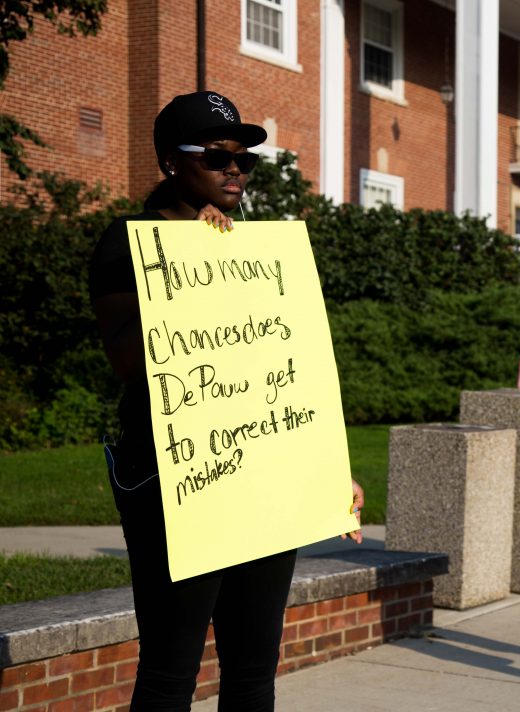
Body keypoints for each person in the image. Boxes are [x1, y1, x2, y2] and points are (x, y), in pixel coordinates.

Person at [89, 91, 363, 711]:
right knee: (170, 669)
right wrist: (194, 263)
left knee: (252, 668)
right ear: (169, 164)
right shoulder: (129, 243)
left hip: (260, 477)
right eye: (216, 156)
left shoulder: (255, 253)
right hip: (176, 476)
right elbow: (131, 363)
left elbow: (286, 373)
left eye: (244, 160)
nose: (234, 169)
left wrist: (326, 472)